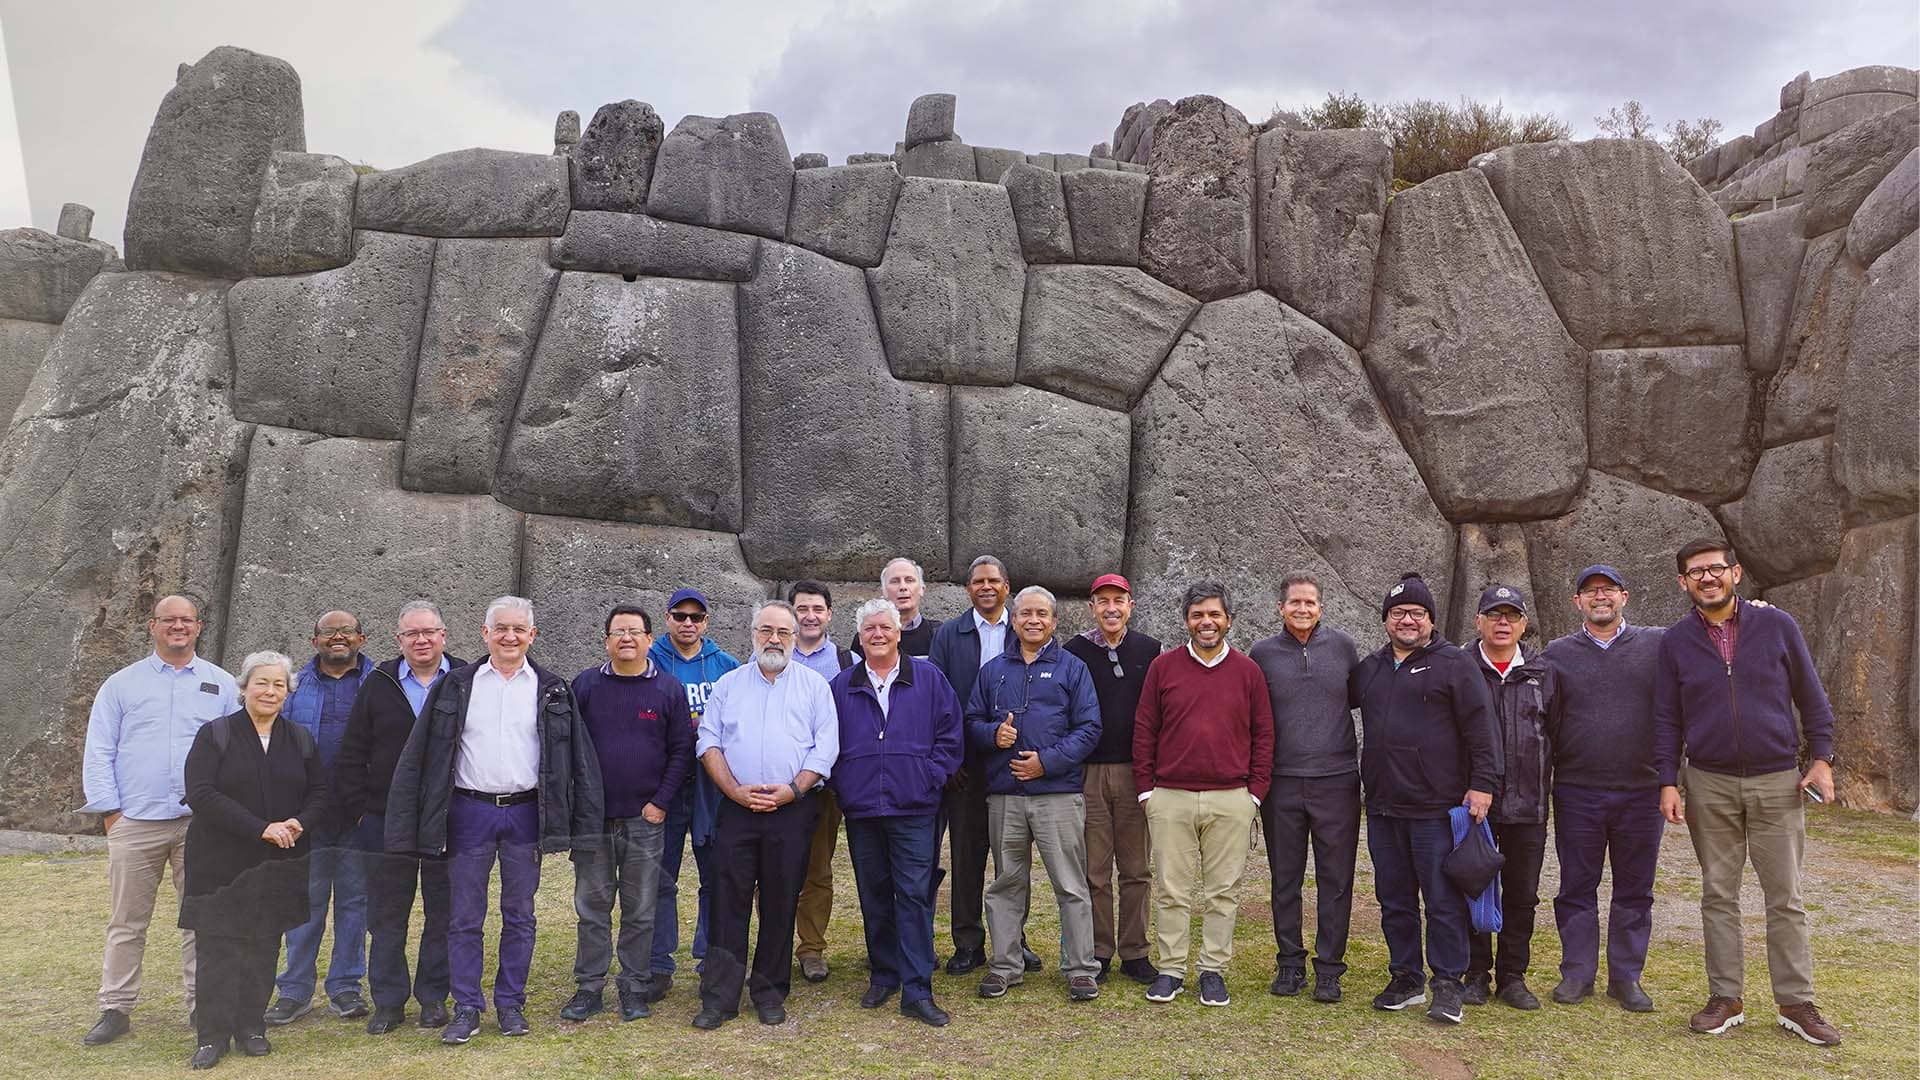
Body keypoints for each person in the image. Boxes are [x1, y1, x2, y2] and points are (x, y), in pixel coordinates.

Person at [386, 596, 603, 1045]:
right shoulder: (456, 685)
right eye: (500, 628)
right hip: (469, 812)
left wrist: (580, 826)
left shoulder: (553, 690)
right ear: (485, 633)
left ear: (532, 635)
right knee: (464, 915)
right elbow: (418, 754)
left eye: (518, 629)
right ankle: (466, 1006)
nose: (509, 636)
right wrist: (407, 822)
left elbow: (577, 762)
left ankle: (510, 1004)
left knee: (520, 914)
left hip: (525, 813)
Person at [1654, 540, 1842, 1046]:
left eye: (1716, 568)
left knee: (1786, 896)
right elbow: (1667, 717)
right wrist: (1668, 780)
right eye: (1696, 572)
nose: (1707, 577)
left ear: (1735, 573)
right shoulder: (1675, 642)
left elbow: (1811, 695)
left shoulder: (1777, 625)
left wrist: (1822, 759)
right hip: (1708, 782)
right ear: (1683, 582)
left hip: (1777, 780)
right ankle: (1726, 998)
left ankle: (1796, 1002)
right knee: (1718, 894)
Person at [79, 594, 239, 1047]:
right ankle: (116, 1008)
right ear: (152, 626)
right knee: (127, 921)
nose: (178, 627)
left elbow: (237, 752)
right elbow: (100, 749)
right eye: (169, 620)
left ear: (199, 626)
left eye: (186, 620)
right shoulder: (121, 685)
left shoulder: (222, 684)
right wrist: (111, 812)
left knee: (201, 920)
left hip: (201, 824)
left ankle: (202, 1003)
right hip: (136, 820)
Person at [1349, 572, 1499, 1026]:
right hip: (1383, 807)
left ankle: (1448, 984)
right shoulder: (1371, 668)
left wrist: (1483, 783)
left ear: (1431, 619)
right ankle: (1406, 978)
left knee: (1442, 900)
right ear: (1385, 620)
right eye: (1398, 613)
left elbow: (1482, 728)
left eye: (1417, 613)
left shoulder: (1454, 663)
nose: (1407, 620)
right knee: (1394, 898)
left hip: (1436, 808)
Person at [691, 600, 839, 1029]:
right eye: (766, 631)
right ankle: (720, 998)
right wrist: (734, 791)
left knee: (780, 901)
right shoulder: (729, 684)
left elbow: (825, 748)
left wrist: (792, 790)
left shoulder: (814, 687)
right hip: (736, 809)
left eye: (783, 632)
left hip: (792, 810)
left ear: (794, 637)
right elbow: (708, 741)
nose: (774, 639)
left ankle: (770, 992)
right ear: (753, 633)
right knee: (727, 901)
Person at [178, 651, 327, 1069]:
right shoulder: (216, 734)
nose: (270, 691)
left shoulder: (299, 739)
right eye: (262, 682)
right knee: (218, 948)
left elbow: (319, 792)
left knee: (264, 945)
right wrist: (259, 827)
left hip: (278, 860)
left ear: (288, 692)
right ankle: (212, 1036)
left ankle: (251, 1028)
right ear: (243, 688)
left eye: (279, 684)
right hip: (220, 862)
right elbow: (201, 792)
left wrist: (300, 821)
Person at [1133, 582, 1274, 1008]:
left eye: (1214, 614)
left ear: (1228, 620)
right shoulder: (1163, 668)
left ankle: (1212, 970)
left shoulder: (1248, 672)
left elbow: (1264, 734)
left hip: (1231, 797)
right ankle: (1171, 970)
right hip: (1170, 796)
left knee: (1223, 891)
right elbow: (1145, 729)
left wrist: (1254, 794)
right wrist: (1147, 792)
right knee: (1171, 890)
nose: (1206, 622)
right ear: (1186, 621)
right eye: (1197, 615)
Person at [829, 598, 964, 1026]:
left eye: (885, 627)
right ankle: (884, 974)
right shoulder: (842, 685)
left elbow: (951, 735)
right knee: (874, 894)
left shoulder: (929, 678)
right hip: (863, 809)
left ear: (898, 632)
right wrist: (845, 784)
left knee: (914, 895)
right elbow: (825, 742)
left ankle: (917, 989)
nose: (878, 634)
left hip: (914, 808)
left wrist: (929, 776)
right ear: (859, 635)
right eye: (869, 628)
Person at [333, 601, 465, 1033]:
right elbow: (353, 752)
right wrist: (359, 812)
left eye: (429, 632)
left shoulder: (465, 679)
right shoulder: (378, 683)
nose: (421, 640)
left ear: (443, 635)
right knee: (387, 915)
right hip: (385, 818)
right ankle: (389, 1002)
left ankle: (433, 997)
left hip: (448, 815)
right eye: (412, 634)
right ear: (399, 640)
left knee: (443, 912)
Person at [967, 586, 1103, 1003]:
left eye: (1042, 614)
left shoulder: (1073, 669)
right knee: (1007, 883)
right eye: (1025, 613)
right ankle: (1005, 965)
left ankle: (1081, 968)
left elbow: (1089, 728)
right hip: (1005, 796)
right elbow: (970, 720)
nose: (1033, 620)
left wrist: (1047, 762)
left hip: (1057, 794)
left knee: (1070, 884)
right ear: (1014, 619)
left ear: (1054, 621)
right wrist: (993, 734)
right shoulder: (993, 670)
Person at [1541, 565, 1665, 1012]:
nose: (1600, 597)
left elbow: (1709, 634)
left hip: (1642, 790)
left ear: (1624, 597)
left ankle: (1626, 977)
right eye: (1590, 591)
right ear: (1577, 602)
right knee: (1576, 885)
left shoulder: (1657, 644)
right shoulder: (1557, 654)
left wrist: (1752, 610)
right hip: (1577, 789)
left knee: (1635, 887)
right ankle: (1577, 973)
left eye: (1608, 589)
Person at [563, 604, 694, 1023]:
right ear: (606, 640)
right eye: (618, 632)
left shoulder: (668, 689)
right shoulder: (585, 685)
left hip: (645, 819)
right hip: (593, 820)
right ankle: (589, 988)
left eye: (635, 632)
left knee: (640, 909)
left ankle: (635, 986)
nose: (626, 639)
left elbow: (682, 751)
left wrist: (661, 803)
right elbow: (568, 748)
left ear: (649, 640)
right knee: (592, 908)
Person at [1249, 572, 1361, 1004]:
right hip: (1282, 782)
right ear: (1280, 608)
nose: (1302, 609)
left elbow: (1355, 699)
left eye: (1310, 602)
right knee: (1285, 878)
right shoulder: (1262, 654)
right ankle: (1290, 963)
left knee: (1336, 879)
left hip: (1337, 781)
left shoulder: (1343, 648)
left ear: (1321, 607)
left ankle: (1329, 969)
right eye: (1294, 602)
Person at [267, 611, 374, 1026]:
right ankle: (294, 990)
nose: (337, 637)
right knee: (305, 904)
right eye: (328, 632)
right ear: (314, 642)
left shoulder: (380, 682)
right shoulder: (293, 686)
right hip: (305, 816)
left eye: (346, 631)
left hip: (358, 815)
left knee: (354, 903)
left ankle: (346, 987)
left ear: (362, 638)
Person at [929, 555, 1034, 975]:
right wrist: (949, 759)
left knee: (1013, 860)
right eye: (978, 581)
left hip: (1013, 763)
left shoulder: (1024, 628)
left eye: (993, 580)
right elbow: (938, 700)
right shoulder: (948, 634)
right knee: (967, 858)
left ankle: (1015, 940)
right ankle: (968, 943)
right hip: (965, 767)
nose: (986, 587)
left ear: (1007, 586)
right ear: (968, 589)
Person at [1062, 573, 1161, 985]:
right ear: (1092, 608)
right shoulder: (1074, 652)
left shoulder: (1150, 650)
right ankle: (1099, 950)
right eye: (1103, 601)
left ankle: (1135, 951)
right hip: (1089, 772)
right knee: (1095, 870)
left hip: (1136, 772)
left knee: (1136, 869)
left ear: (1130, 606)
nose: (1111, 608)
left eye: (1118, 601)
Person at [1463, 584, 1558, 1011]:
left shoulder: (1543, 672)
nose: (1503, 623)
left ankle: (1512, 976)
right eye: (1494, 615)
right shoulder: (1461, 667)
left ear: (1523, 624)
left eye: (1512, 615)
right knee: (1473, 887)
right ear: (1478, 621)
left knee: (1522, 894)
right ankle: (1475, 973)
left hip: (1529, 803)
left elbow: (1557, 732)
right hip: (1474, 803)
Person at [644, 587, 740, 1001]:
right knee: (659, 878)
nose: (687, 623)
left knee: (714, 877)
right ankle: (658, 964)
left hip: (710, 785)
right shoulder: (650, 661)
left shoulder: (726, 666)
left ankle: (709, 961)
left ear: (706, 622)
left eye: (695, 617)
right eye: (679, 615)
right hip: (663, 782)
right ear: (666, 618)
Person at [788, 580, 856, 984]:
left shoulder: (848, 661)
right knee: (773, 869)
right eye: (802, 609)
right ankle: (776, 942)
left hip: (827, 786)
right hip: (779, 783)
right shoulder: (769, 656)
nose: (810, 616)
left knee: (817, 868)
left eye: (817, 609)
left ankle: (811, 948)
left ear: (830, 614)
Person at [852, 557, 943, 658]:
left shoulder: (940, 634)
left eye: (909, 580)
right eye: (895, 581)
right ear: (884, 591)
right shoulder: (868, 637)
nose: (903, 587)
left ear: (922, 589)